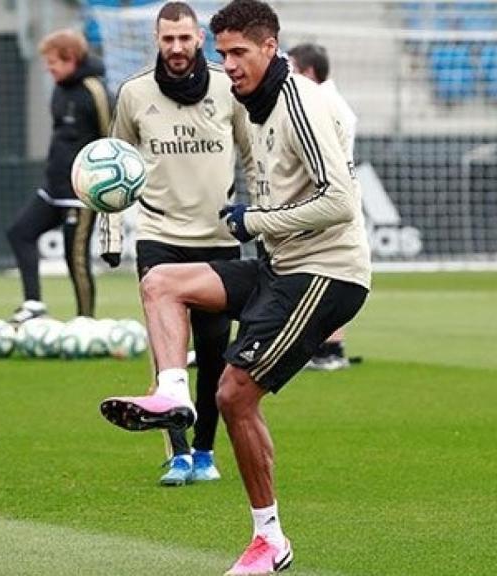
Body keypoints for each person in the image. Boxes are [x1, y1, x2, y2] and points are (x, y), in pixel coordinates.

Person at [99, 0, 370, 572]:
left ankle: (269, 539)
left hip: (325, 272)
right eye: (222, 53)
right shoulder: (253, 104)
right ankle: (172, 394)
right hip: (280, 264)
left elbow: (342, 203)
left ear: (271, 47)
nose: (230, 64)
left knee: (233, 394)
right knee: (161, 283)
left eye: (239, 52)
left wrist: (255, 221)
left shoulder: (299, 102)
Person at [97, 0, 255, 487]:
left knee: (213, 353)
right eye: (168, 39)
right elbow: (110, 164)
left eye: (185, 38)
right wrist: (111, 233)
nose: (177, 48)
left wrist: (262, 222)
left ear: (199, 39)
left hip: (217, 238)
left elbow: (254, 158)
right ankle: (177, 454)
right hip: (160, 236)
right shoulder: (133, 94)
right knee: (168, 352)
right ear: (157, 41)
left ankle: (205, 451)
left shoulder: (229, 89)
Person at [6, 29, 112, 324]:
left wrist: (101, 189)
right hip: (53, 187)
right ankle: (33, 304)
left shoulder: (95, 91)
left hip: (81, 194)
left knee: (75, 259)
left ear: (71, 59)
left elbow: (111, 140)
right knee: (19, 232)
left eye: (52, 62)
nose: (47, 67)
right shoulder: (59, 88)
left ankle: (85, 321)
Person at [288, 42, 358, 372]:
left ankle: (330, 349)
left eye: (292, 68)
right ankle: (325, 347)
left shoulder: (323, 102)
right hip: (336, 195)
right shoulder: (334, 100)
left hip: (330, 198)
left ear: (308, 72)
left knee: (327, 272)